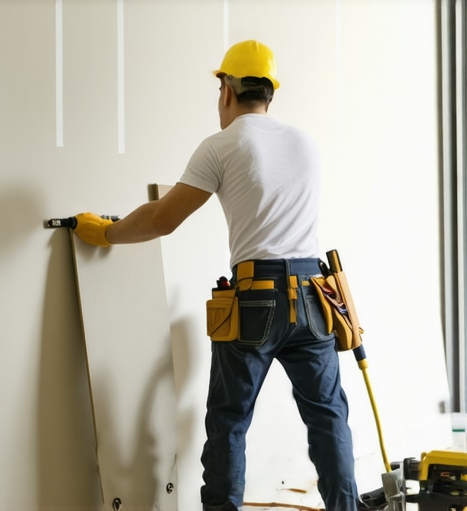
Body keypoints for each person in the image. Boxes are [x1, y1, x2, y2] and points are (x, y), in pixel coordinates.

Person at [74, 40, 360, 511]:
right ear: (270, 93)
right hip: (316, 295)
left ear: (226, 89)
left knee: (229, 420)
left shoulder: (224, 144)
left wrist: (107, 234)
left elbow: (163, 218)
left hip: (256, 297)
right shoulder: (304, 143)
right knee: (329, 420)